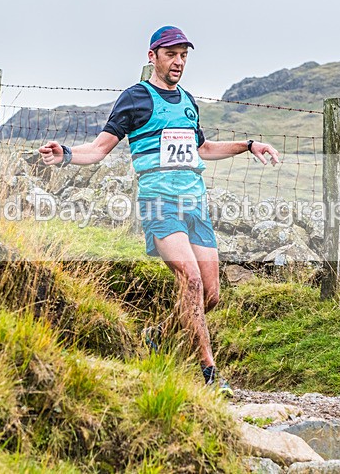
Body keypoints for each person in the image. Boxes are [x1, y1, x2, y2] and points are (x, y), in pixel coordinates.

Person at [39, 26, 280, 395]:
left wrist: (249, 145)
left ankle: (159, 336)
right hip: (159, 204)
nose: (179, 62)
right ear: (152, 57)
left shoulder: (187, 100)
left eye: (184, 55)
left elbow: (203, 149)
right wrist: (67, 155)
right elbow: (100, 149)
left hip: (194, 205)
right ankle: (210, 376)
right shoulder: (135, 98)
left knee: (210, 294)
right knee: (192, 281)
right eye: (171, 54)